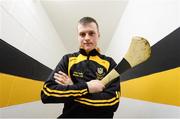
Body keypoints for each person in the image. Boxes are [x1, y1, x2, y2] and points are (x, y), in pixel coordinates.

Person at [41, 17, 120, 118]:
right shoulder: (68, 60)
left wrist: (71, 87)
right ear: (78, 37)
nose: (87, 38)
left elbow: (112, 102)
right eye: (82, 34)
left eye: (91, 33)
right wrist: (87, 87)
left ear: (98, 35)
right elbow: (47, 93)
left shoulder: (109, 63)